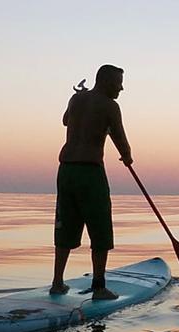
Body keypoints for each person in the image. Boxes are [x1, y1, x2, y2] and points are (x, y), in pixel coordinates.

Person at [52, 64, 132, 299]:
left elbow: (66, 120)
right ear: (105, 82)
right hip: (90, 172)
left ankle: (57, 283)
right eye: (118, 83)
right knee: (100, 230)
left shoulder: (76, 99)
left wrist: (79, 97)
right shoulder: (110, 106)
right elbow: (119, 135)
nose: (121, 88)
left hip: (66, 171)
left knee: (65, 227)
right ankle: (99, 288)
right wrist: (127, 156)